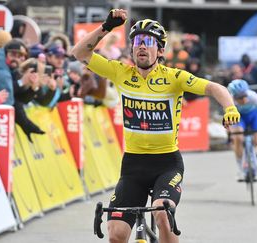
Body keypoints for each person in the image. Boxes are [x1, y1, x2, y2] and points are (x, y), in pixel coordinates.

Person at [71, 9, 240, 243]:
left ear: (160, 50)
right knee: (116, 236)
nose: (142, 46)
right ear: (131, 48)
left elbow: (215, 88)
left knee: (163, 214)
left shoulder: (174, 77)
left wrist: (229, 108)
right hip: (132, 166)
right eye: (137, 41)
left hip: (167, 165)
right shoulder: (121, 73)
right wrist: (106, 27)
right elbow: (78, 52)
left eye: (148, 41)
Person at [227, 79, 257, 181]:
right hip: (239, 118)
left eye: (244, 95)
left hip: (253, 117)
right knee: (238, 138)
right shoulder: (229, 100)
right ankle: (240, 169)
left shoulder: (253, 97)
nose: (243, 99)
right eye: (239, 98)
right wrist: (230, 132)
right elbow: (228, 119)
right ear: (234, 96)